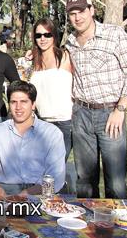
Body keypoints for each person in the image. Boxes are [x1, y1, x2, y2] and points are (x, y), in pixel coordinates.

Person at [64, 0, 127, 199]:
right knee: (85, 179)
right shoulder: (70, 42)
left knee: (115, 180)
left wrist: (121, 109)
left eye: (81, 11)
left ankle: (116, 229)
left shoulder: (114, 35)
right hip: (81, 114)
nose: (77, 17)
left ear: (92, 11)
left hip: (110, 113)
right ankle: (89, 226)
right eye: (72, 13)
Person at [0, 80, 66, 196]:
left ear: (33, 104)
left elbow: (56, 177)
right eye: (14, 102)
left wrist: (27, 193)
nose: (18, 107)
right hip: (4, 190)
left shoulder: (51, 133)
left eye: (24, 101)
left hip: (39, 191)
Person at [29, 17, 73, 161]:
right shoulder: (35, 61)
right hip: (41, 123)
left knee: (55, 166)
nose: (43, 38)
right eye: (38, 35)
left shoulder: (65, 56)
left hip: (64, 123)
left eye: (47, 34)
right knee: (41, 168)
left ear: (54, 36)